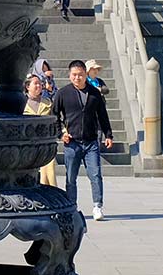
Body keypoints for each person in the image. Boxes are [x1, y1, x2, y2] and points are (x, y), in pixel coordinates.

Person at [52, 59, 113, 221]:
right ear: (69, 75)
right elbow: (54, 115)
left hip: (91, 141)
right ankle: (71, 206)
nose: (77, 78)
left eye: (80, 75)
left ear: (86, 75)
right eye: (74, 75)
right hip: (71, 142)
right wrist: (61, 133)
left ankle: (97, 206)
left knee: (95, 174)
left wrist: (108, 134)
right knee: (71, 177)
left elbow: (102, 115)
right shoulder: (63, 93)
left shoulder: (94, 93)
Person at [23, 74, 57, 188]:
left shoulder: (47, 102)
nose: (39, 86)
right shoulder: (22, 103)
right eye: (35, 83)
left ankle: (52, 192)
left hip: (45, 141)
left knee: (49, 171)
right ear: (28, 86)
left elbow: (55, 119)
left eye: (40, 84)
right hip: (28, 143)